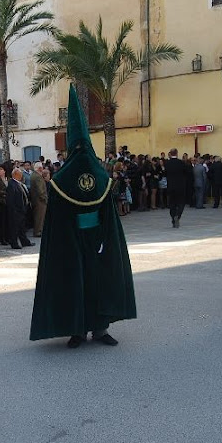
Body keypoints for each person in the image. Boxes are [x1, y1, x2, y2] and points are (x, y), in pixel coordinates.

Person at [30, 86, 136, 348]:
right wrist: (69, 239)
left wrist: (105, 238)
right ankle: (76, 330)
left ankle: (100, 329)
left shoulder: (99, 177)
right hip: (72, 240)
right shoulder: (62, 180)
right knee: (74, 284)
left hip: (97, 239)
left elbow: (108, 213)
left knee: (99, 282)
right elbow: (57, 216)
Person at [7, 168, 34, 249]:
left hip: (21, 209)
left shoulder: (18, 183)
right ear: (15, 174)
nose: (22, 175)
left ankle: (24, 241)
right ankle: (14, 243)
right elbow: (11, 199)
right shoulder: (11, 184)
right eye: (20, 174)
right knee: (15, 228)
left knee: (21, 227)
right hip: (16, 210)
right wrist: (14, 210)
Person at [165, 148, 187, 228]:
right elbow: (185, 173)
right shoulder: (181, 163)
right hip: (180, 186)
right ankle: (178, 215)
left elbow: (165, 173)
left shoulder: (167, 163)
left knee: (172, 204)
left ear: (170, 154)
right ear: (177, 153)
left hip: (171, 186)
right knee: (181, 203)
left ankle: (173, 218)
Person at [30, 162, 48, 236]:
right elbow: (40, 190)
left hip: (35, 199)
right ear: (40, 168)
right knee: (40, 216)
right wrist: (45, 198)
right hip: (39, 200)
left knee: (38, 215)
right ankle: (38, 231)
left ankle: (38, 230)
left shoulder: (33, 175)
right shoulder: (38, 177)